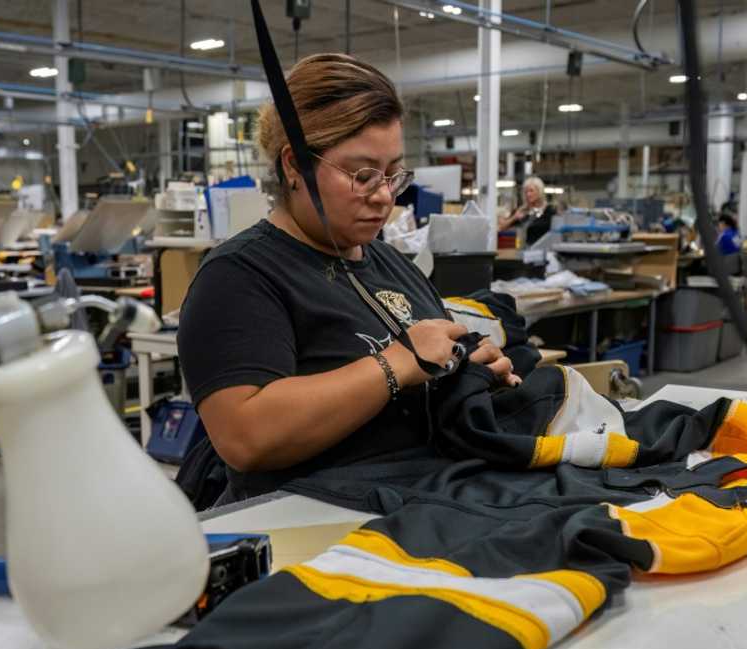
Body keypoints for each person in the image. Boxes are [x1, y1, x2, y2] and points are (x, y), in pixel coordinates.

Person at [177, 54, 519, 503]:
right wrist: (396, 364)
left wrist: (472, 371)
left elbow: (428, 365)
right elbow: (245, 436)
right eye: (362, 174)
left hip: (429, 500)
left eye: (393, 173)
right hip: (318, 527)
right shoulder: (238, 277)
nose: (382, 196)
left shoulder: (391, 263)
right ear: (294, 166)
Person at [497, 176, 555, 246]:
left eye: (531, 191)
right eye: (526, 191)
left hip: (545, 249)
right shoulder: (522, 210)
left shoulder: (549, 211)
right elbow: (501, 227)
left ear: (539, 191)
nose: (528, 194)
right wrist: (514, 217)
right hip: (525, 250)